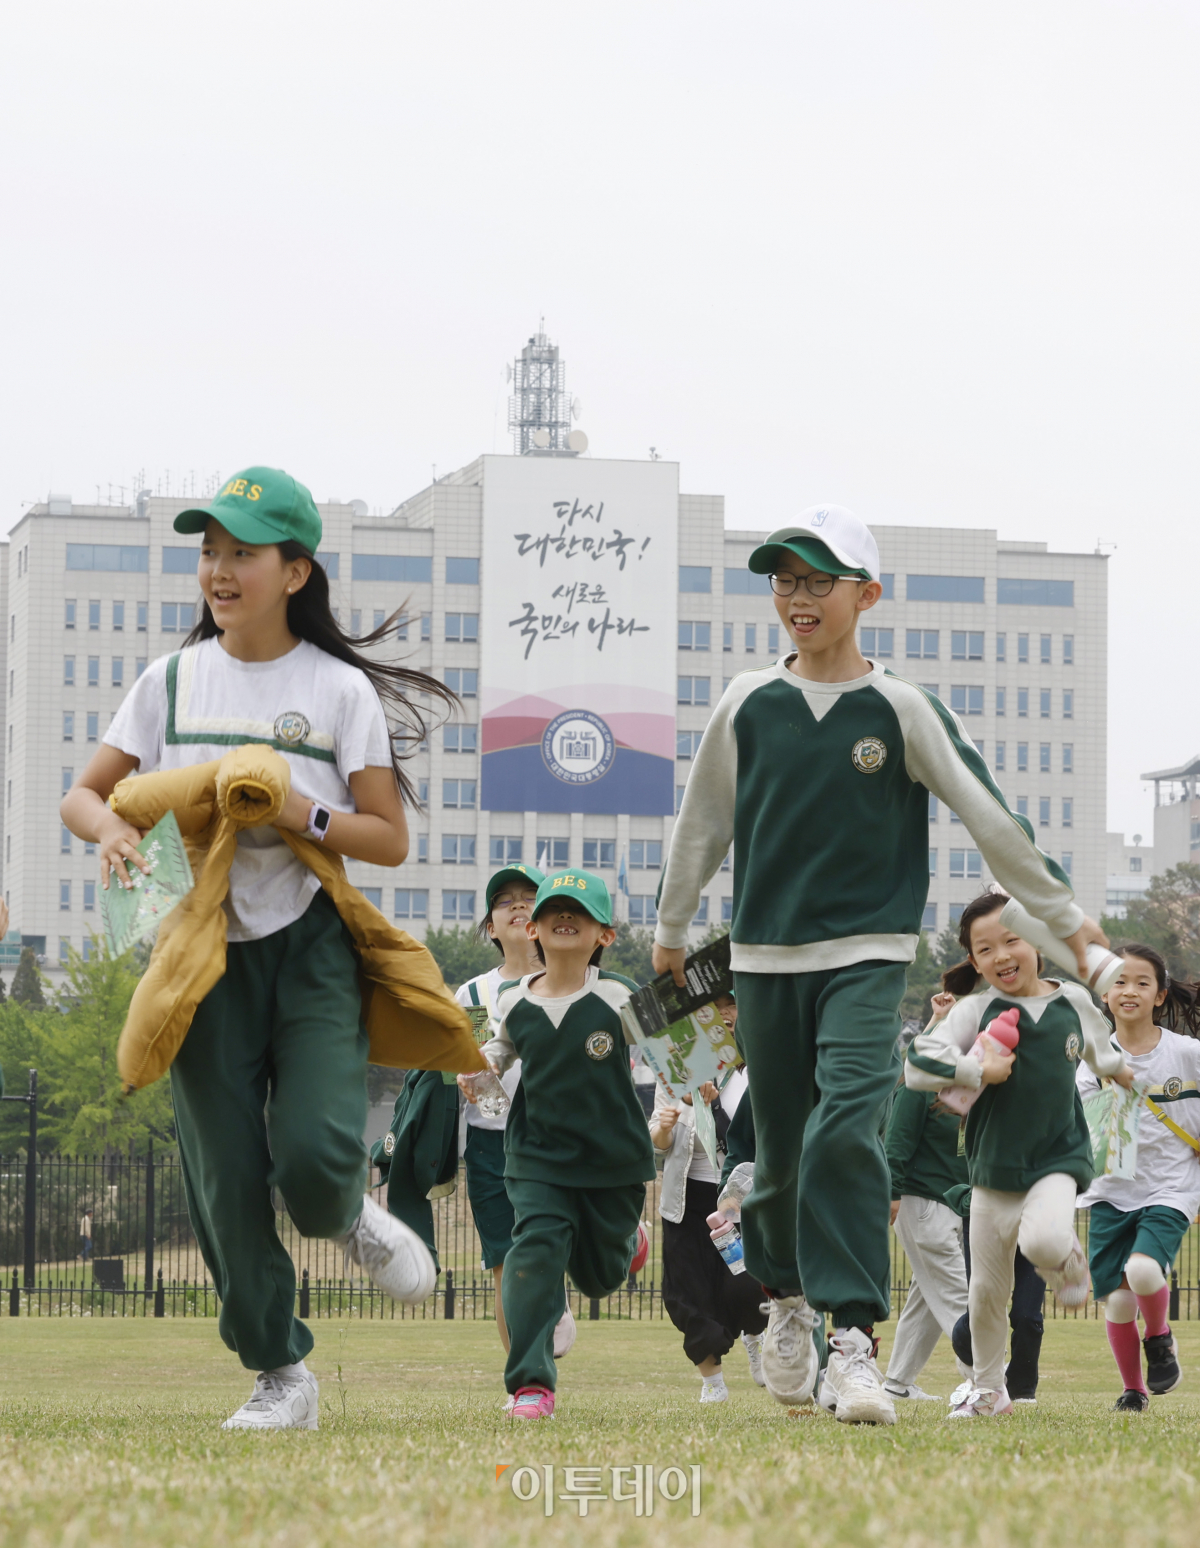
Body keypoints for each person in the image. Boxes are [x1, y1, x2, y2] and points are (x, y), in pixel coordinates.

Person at [651, 503, 1109, 1426]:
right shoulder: (746, 700)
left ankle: (853, 1344)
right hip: (760, 961)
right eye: (784, 580)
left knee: (845, 1132)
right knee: (774, 1160)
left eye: (819, 580)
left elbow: (993, 823)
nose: (799, 598)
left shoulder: (900, 709)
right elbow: (700, 823)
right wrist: (670, 936)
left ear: (868, 594)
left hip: (867, 954)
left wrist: (1075, 931)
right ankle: (784, 1304)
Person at [61, 467, 457, 1431]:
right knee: (225, 1178)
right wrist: (113, 835)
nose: (220, 570)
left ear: (296, 571)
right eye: (210, 552)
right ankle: (281, 1373)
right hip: (200, 955)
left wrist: (298, 809)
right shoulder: (169, 681)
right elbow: (84, 795)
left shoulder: (337, 687)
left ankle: (348, 1217)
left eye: (242, 552)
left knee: (317, 1162)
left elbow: (387, 838)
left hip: (313, 949)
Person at [907, 890, 1132, 1419]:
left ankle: (1068, 1262)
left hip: (1058, 1159)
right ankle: (989, 1391)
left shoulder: (1072, 1000)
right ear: (975, 961)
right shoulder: (976, 1009)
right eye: (985, 949)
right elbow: (918, 1065)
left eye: (1012, 940)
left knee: (1043, 1237)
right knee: (985, 1292)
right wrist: (974, 1071)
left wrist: (1121, 1071)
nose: (1002, 956)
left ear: (1037, 941)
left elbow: (1103, 1048)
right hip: (990, 1172)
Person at [472, 868, 653, 1420]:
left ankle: (630, 1243)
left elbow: (684, 1053)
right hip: (536, 1161)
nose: (565, 918)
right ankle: (531, 1386)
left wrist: (701, 1078)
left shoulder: (621, 993)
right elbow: (495, 1057)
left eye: (581, 912)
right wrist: (477, 1074)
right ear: (534, 930)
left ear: (605, 935)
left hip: (612, 1164)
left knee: (600, 1280)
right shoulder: (511, 1001)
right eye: (554, 911)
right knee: (534, 1254)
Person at [453, 864, 576, 1366]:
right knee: (506, 1263)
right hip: (491, 1143)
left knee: (551, 1245)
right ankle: (525, 1379)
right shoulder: (474, 996)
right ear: (492, 926)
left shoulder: (575, 981)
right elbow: (469, 1076)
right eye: (505, 900)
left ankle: (559, 1286)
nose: (518, 904)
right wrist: (475, 1083)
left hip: (561, 1138)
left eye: (530, 897)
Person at [1076, 944, 1200, 1412]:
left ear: (1161, 996)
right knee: (1119, 1303)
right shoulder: (1091, 1061)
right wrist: (1113, 1086)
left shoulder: (1188, 1054)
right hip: (1111, 1190)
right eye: (1119, 981)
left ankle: (1161, 1338)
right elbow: (1102, 1145)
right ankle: (1134, 1390)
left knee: (1144, 1270)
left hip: (1172, 1185)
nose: (1129, 990)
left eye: (1142, 982)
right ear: (1104, 995)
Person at [652, 998, 767, 1403]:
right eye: (713, 1006)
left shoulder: (754, 1069)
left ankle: (756, 1333)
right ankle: (712, 1383)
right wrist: (666, 1126)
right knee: (686, 1294)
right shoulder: (677, 1067)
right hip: (686, 1198)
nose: (724, 1014)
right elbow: (658, 1138)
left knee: (745, 1283)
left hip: (739, 1196)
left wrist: (714, 1103)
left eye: (731, 1005)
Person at [881, 1005, 972, 1402]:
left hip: (954, 1204)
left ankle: (897, 1383)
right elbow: (896, 1143)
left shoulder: (970, 1085)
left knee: (926, 1298)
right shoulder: (918, 1085)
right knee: (960, 1297)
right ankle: (986, 1380)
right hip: (920, 1204)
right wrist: (892, 1193)